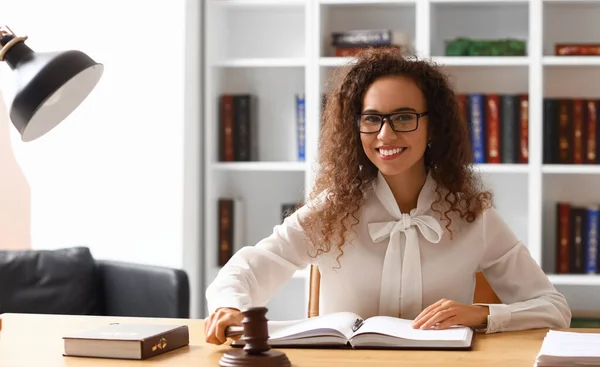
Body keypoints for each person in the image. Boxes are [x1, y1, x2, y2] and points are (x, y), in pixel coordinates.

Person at [204, 47, 571, 345]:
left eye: (403, 117)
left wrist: (482, 314)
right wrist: (230, 307)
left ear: (432, 127)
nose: (385, 134)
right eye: (371, 119)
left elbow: (554, 308)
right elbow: (246, 268)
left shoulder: (473, 216)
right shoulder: (332, 211)